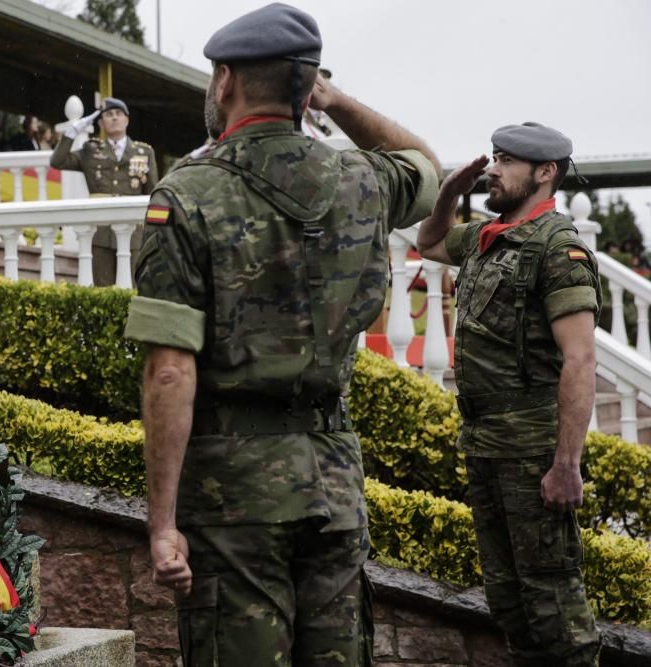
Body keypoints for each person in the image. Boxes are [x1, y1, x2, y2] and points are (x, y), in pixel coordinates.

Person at [122, 4, 441, 665]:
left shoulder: (185, 197)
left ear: (226, 81)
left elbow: (170, 370)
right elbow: (426, 167)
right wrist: (333, 99)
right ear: (305, 87)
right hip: (334, 484)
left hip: (233, 496)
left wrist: (163, 523)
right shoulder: (361, 180)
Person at [417, 123, 602, 665]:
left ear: (545, 173)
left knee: (554, 605)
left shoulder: (558, 249)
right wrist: (449, 193)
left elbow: (580, 360)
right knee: (508, 600)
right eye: (495, 157)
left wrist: (566, 465)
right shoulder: (488, 236)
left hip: (531, 452)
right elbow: (428, 242)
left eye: (506, 161)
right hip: (485, 444)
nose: (493, 170)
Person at [51, 97, 158, 285]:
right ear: (100, 123)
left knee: (133, 287)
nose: (114, 118)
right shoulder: (90, 150)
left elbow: (152, 195)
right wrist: (71, 133)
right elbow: (57, 161)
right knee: (103, 288)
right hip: (101, 231)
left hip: (133, 232)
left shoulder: (144, 152)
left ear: (127, 120)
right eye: (109, 115)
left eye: (119, 114)